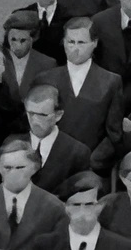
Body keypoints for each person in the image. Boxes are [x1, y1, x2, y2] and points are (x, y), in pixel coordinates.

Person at [52, 17, 125, 172]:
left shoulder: (110, 81)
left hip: (91, 168)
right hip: (52, 166)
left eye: (81, 43)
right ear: (63, 43)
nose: (75, 48)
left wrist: (95, 162)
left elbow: (114, 134)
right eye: (71, 42)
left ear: (94, 43)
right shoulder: (46, 79)